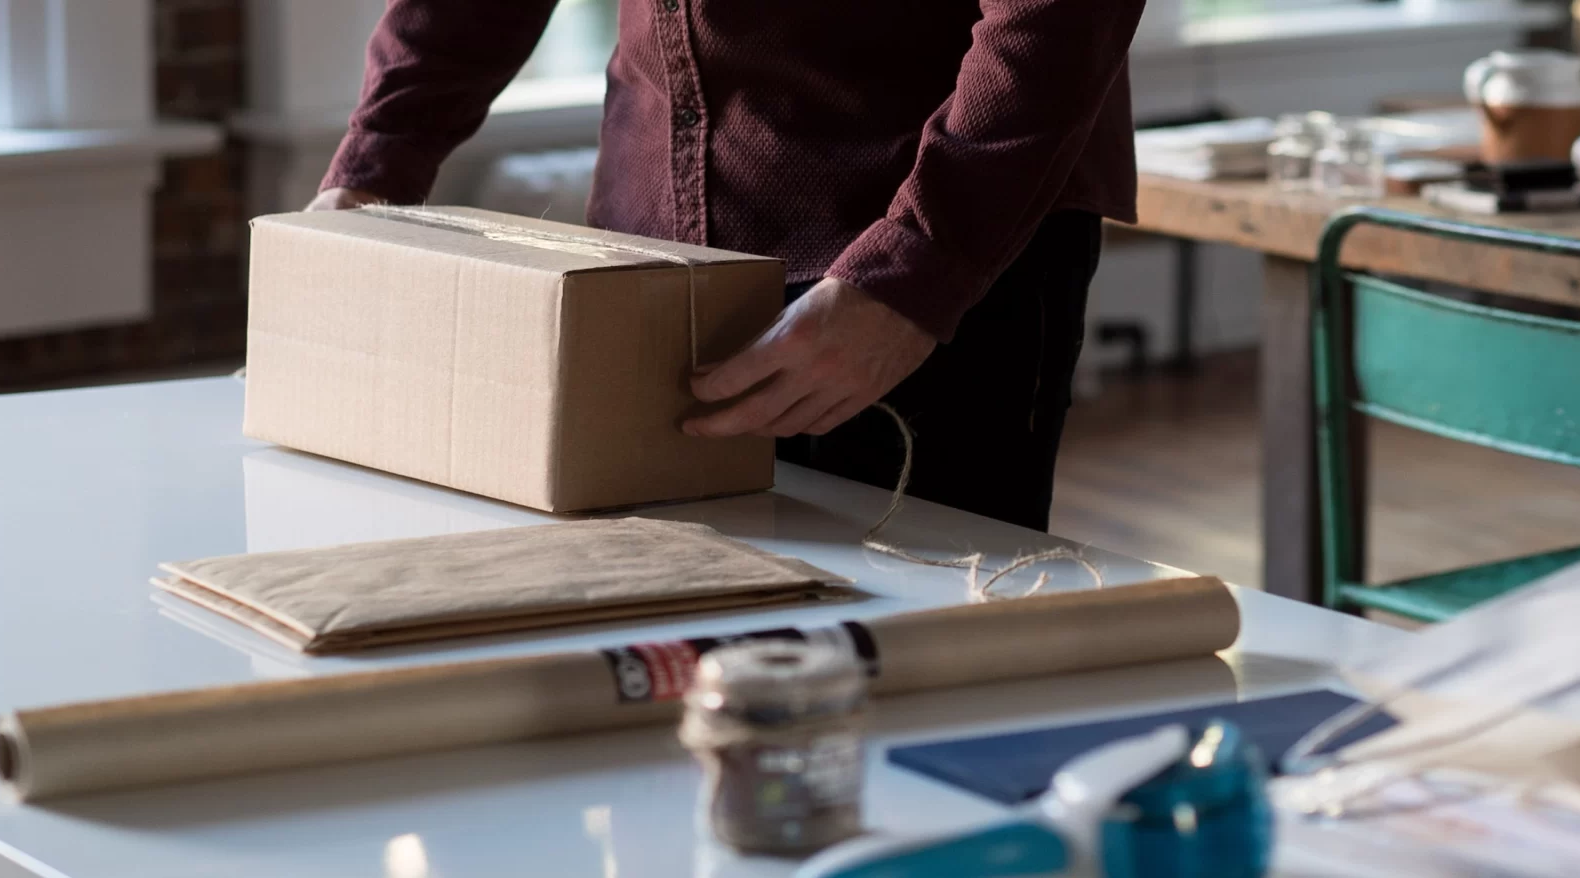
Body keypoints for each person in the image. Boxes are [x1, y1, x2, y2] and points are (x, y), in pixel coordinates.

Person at [308, 0, 1146, 532]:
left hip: (915, 249)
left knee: (913, 659)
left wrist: (914, 272)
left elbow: (1057, 17)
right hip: (646, 249)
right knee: (656, 634)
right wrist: (373, 167)